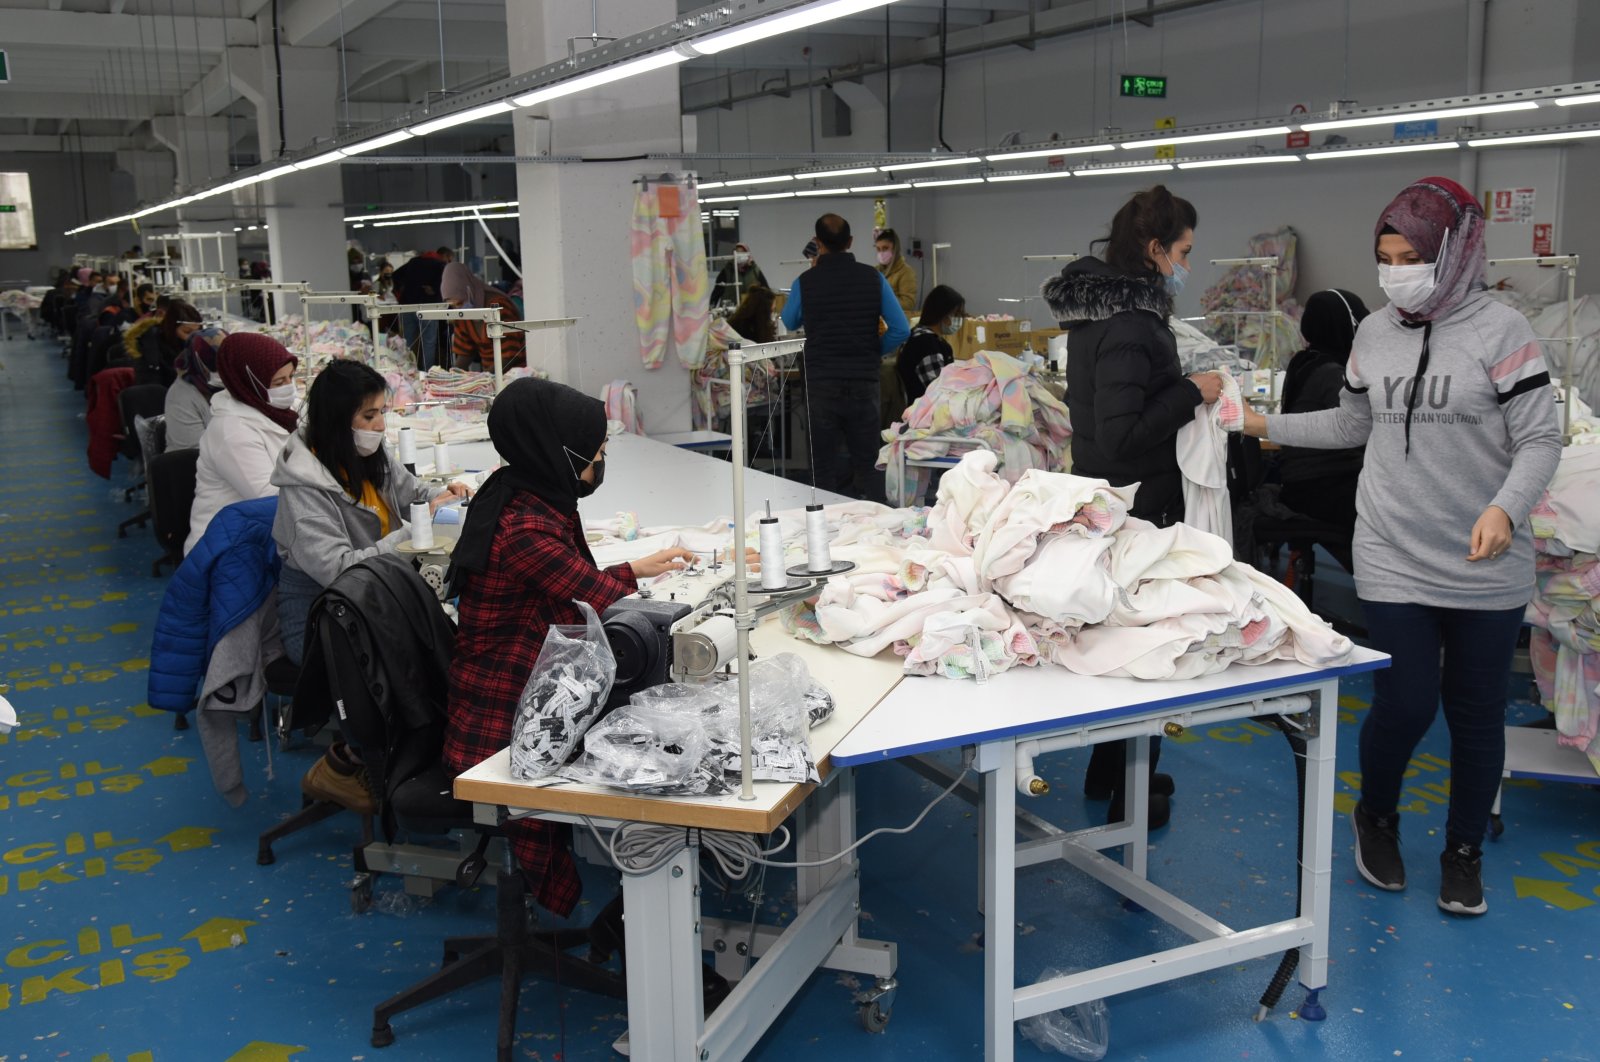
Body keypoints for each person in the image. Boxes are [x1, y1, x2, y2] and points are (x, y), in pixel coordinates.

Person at [1240, 176, 1562, 916]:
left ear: (1452, 251)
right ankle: (1376, 816)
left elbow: (1540, 438)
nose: (1394, 271)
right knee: (1407, 703)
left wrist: (1507, 511)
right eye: (1384, 255)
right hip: (1391, 548)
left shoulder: (1504, 330)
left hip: (1486, 559)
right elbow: (1354, 426)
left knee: (1477, 713)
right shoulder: (1374, 334)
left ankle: (1462, 851)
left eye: (1409, 254)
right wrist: (1263, 427)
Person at [443, 378, 704, 913]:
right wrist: (665, 584)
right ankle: (650, 891)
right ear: (559, 453)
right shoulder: (524, 526)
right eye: (597, 453)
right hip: (507, 716)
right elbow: (602, 603)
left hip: (521, 681)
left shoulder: (522, 491)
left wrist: (636, 567)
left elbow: (567, 585)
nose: (600, 462)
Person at [1042, 185, 1223, 831]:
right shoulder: (1131, 323)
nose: (1186, 264)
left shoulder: (1101, 314)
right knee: (1148, 652)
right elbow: (1123, 432)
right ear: (1154, 250)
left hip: (1113, 498)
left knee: (1121, 641)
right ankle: (1134, 795)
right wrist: (1190, 392)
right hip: (1138, 504)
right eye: (1183, 251)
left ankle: (1107, 773)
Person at [271, 359, 470, 670]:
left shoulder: (365, 453)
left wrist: (446, 497)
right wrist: (414, 531)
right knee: (436, 654)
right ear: (338, 420)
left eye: (381, 412)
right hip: (322, 615)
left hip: (375, 595)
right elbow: (339, 570)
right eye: (369, 415)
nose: (380, 425)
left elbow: (413, 493)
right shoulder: (304, 489)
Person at [781, 214, 911, 501]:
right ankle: (879, 528)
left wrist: (812, 274)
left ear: (817, 243)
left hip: (821, 384)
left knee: (823, 465)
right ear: (850, 242)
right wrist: (873, 350)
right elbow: (901, 330)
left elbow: (789, 320)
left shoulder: (806, 282)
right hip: (863, 382)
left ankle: (826, 531)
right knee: (868, 462)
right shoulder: (873, 278)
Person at [1274, 289, 1372, 573]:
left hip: (1303, 484)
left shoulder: (1305, 361)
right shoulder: (1333, 373)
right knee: (1390, 506)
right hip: (1322, 485)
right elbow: (1362, 429)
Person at [185, 333, 299, 555]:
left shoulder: (272, 408)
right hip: (225, 547)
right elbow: (270, 498)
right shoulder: (231, 431)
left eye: (291, 377)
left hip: (258, 531)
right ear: (250, 381)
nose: (288, 387)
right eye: (278, 382)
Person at [442, 262, 525, 372]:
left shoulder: (499, 306)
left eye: (460, 303)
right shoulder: (463, 314)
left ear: (469, 292)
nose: (458, 308)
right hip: (491, 374)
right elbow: (465, 353)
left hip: (515, 374)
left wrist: (484, 378)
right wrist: (453, 377)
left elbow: (510, 355)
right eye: (453, 306)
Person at [896, 283, 965, 404]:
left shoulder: (918, 334)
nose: (959, 320)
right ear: (943, 314)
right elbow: (939, 393)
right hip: (926, 414)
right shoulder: (926, 345)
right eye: (957, 315)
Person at [393, 247, 455, 371]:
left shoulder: (414, 262)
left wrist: (402, 292)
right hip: (429, 308)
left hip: (407, 307)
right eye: (449, 259)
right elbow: (444, 286)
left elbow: (396, 275)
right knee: (428, 343)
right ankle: (427, 374)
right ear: (445, 256)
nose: (449, 262)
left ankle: (406, 372)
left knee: (407, 344)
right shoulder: (441, 265)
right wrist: (434, 291)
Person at [163, 328, 224, 451]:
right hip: (193, 462)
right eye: (215, 367)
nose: (223, 372)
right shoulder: (180, 397)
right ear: (197, 362)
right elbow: (193, 450)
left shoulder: (226, 385)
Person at [125, 300, 201, 386]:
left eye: (197, 332)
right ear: (171, 329)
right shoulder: (151, 349)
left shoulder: (192, 345)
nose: (193, 337)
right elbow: (153, 386)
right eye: (187, 332)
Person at [711, 242, 770, 308]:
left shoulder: (755, 271)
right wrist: (711, 309)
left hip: (751, 311)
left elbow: (767, 291)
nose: (740, 256)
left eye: (742, 253)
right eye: (738, 253)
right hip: (731, 312)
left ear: (747, 255)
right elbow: (716, 293)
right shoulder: (727, 271)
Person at [874, 228, 918, 312]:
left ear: (895, 249)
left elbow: (908, 303)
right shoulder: (875, 270)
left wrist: (882, 301)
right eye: (878, 249)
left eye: (885, 248)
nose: (881, 253)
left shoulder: (906, 272)